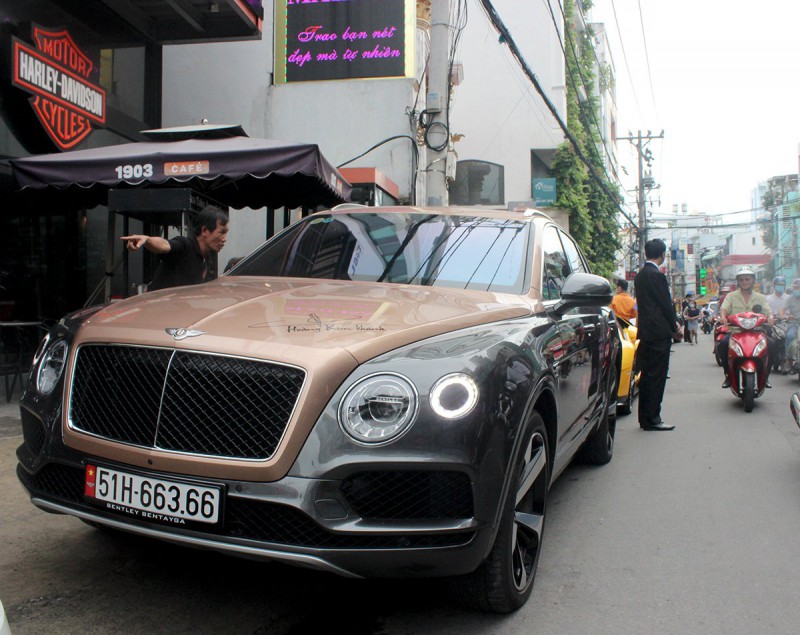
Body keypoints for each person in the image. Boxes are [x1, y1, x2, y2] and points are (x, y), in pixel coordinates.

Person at [121, 206, 229, 292]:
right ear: (205, 230)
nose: (224, 239)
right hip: (156, 309)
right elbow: (165, 244)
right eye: (221, 232)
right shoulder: (185, 245)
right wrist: (147, 239)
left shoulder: (207, 259)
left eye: (226, 233)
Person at [633, 238, 680, 431]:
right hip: (659, 332)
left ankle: (645, 419)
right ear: (662, 254)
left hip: (645, 331)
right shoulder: (657, 275)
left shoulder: (641, 275)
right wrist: (675, 325)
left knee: (646, 376)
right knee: (657, 376)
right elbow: (665, 304)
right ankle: (654, 418)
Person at [718, 266, 776, 388]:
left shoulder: (760, 297)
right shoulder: (731, 296)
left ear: (753, 280)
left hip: (757, 332)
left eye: (747, 279)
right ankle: (728, 375)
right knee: (722, 345)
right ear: (738, 281)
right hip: (735, 331)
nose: (744, 282)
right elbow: (724, 308)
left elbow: (767, 310)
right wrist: (723, 317)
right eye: (742, 279)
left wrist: (770, 317)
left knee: (771, 345)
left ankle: (766, 377)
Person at [781, 278, 800, 369]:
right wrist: (784, 316)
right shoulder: (790, 298)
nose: (797, 290)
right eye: (795, 288)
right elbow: (783, 310)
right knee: (789, 336)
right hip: (794, 323)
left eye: (798, 288)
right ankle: (787, 359)